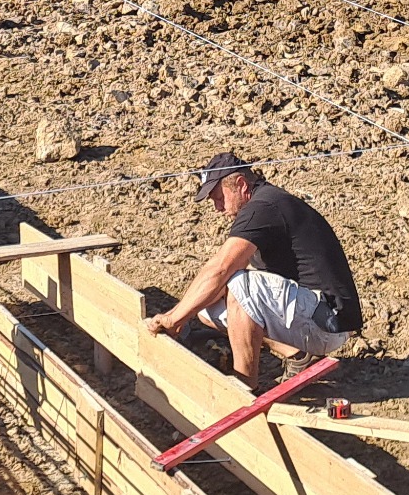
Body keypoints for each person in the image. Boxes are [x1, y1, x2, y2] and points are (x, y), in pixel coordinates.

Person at [146, 153, 362, 387]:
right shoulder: (265, 204)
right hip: (314, 314)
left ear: (241, 185)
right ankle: (299, 356)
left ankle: (245, 388)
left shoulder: (263, 207)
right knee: (207, 308)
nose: (218, 208)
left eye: (219, 197)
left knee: (240, 286)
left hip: (328, 322)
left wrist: (174, 319)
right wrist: (178, 314)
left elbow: (221, 268)